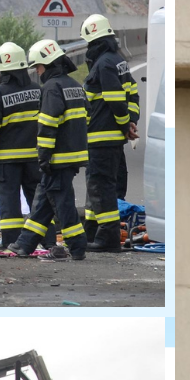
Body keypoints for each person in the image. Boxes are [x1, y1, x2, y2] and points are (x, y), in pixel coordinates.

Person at [5, 39, 89, 260]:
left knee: (63, 204)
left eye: (38, 67)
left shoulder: (52, 88)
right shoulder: (73, 84)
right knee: (42, 202)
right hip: (72, 155)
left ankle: (78, 246)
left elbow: (48, 125)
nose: (37, 71)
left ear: (48, 64)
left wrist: (43, 157)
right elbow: (85, 116)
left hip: (57, 158)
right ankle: (24, 244)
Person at [79, 14, 140, 252]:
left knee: (100, 186)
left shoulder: (103, 64)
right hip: (111, 138)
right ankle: (93, 231)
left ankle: (108, 237)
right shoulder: (117, 60)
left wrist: (125, 123)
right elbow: (132, 92)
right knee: (98, 187)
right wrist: (131, 121)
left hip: (101, 137)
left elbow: (115, 99)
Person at [0, 41, 43, 254]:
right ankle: (44, 239)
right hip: (35, 158)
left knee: (10, 202)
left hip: (8, 160)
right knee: (38, 200)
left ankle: (10, 242)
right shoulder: (38, 90)